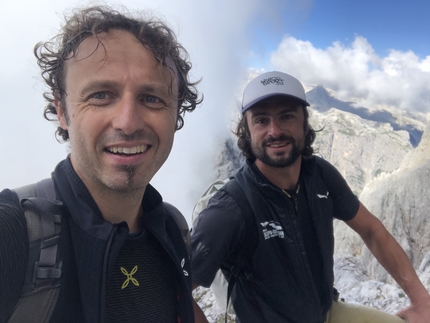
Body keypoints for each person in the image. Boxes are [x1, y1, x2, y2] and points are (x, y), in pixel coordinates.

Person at [0, 5, 202, 323]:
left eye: (152, 98)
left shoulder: (172, 229)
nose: (128, 122)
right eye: (101, 94)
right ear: (63, 111)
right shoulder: (14, 235)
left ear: (175, 114)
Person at [191, 71, 430, 323]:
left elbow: (372, 231)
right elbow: (178, 289)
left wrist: (422, 302)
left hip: (327, 314)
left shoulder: (320, 175)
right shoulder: (231, 208)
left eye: (287, 116)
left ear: (304, 123)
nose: (275, 131)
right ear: (247, 131)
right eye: (261, 120)